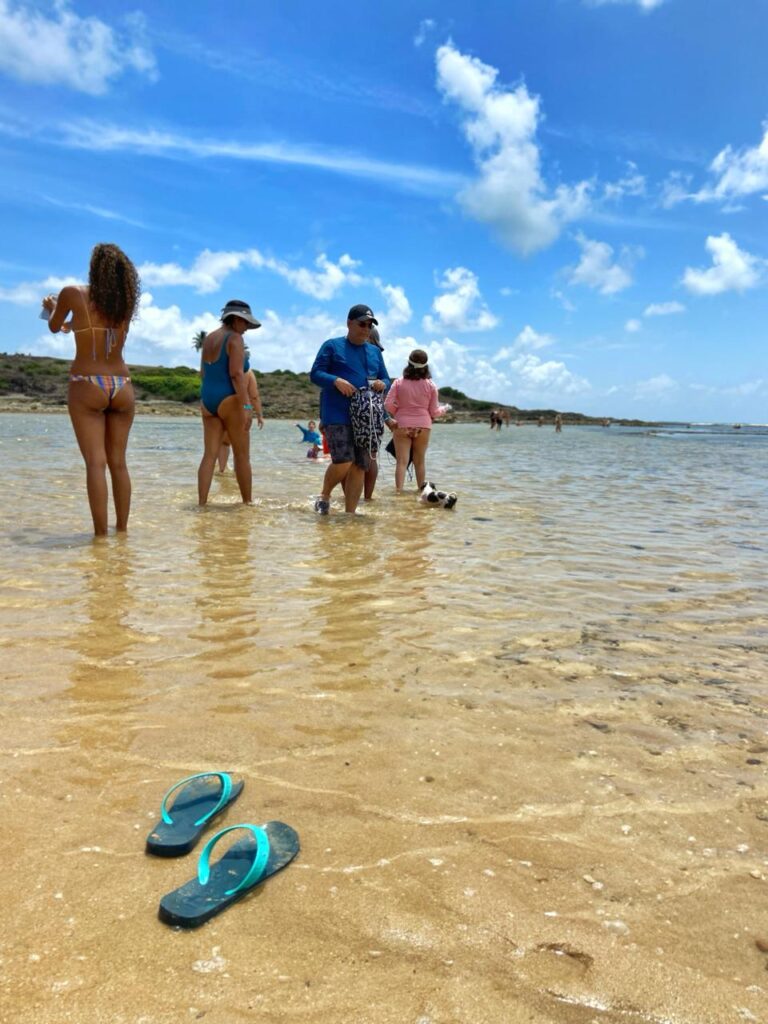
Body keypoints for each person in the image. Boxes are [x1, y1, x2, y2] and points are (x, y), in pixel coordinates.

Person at [41, 242, 141, 537]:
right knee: (119, 464)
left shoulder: (73, 293)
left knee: (95, 464)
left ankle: (100, 538)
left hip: (87, 382)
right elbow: (86, 326)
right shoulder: (124, 303)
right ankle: (122, 532)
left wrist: (50, 309)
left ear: (94, 268)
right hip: (122, 385)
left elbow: (55, 326)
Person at [309, 304, 392, 515]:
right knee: (344, 461)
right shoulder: (331, 346)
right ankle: (325, 494)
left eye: (369, 325)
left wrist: (383, 384)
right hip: (337, 414)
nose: (366, 329)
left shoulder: (374, 352)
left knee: (360, 466)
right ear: (349, 323)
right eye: (362, 324)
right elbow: (315, 374)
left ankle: (350, 514)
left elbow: (385, 378)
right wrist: (336, 380)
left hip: (366, 419)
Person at [198, 299, 261, 505]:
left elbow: (202, 372)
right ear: (235, 319)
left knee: (209, 456)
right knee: (242, 456)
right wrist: (246, 406)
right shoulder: (234, 338)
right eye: (245, 323)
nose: (246, 330)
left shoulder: (208, 339)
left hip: (207, 400)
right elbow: (236, 374)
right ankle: (247, 504)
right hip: (230, 398)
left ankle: (202, 504)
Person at [384, 349, 448, 493]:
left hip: (401, 424)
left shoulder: (398, 382)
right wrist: (445, 409)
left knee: (401, 462)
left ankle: (398, 492)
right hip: (423, 425)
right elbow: (434, 412)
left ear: (408, 363)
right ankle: (422, 492)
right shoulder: (430, 385)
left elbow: (387, 404)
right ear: (426, 365)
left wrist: (399, 413)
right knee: (420, 462)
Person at [217, 369, 264, 472]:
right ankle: (238, 473)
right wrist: (259, 415)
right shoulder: (248, 372)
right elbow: (254, 396)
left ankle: (222, 470)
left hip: (223, 407)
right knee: (240, 448)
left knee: (224, 443)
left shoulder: (225, 368)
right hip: (242, 409)